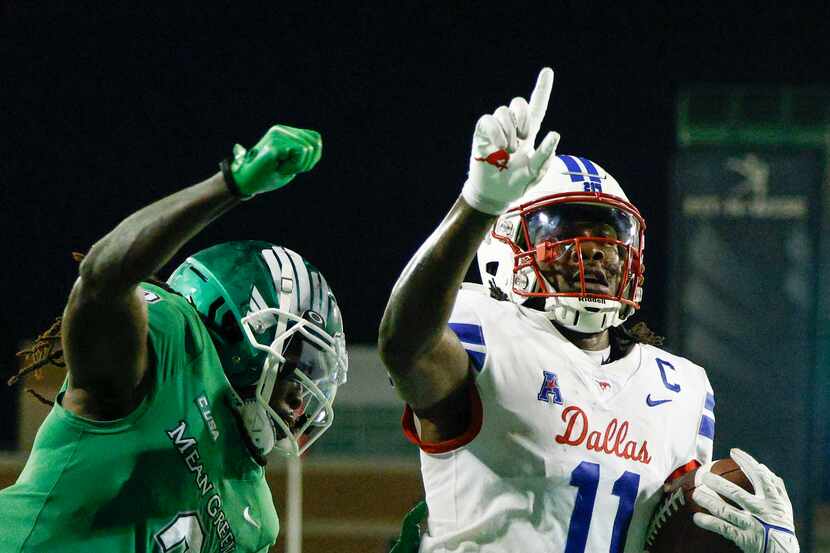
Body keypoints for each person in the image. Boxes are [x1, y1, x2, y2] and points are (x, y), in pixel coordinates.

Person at [378, 68, 798, 553]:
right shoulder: (486, 332)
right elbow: (405, 345)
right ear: (505, 245)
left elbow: (677, 534)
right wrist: (478, 203)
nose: (597, 252)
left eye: (612, 239)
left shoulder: (679, 389)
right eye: (565, 231)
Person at [0, 124, 348, 553]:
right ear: (245, 321)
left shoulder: (256, 517)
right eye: (299, 366)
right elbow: (101, 278)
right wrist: (229, 185)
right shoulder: (168, 344)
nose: (303, 402)